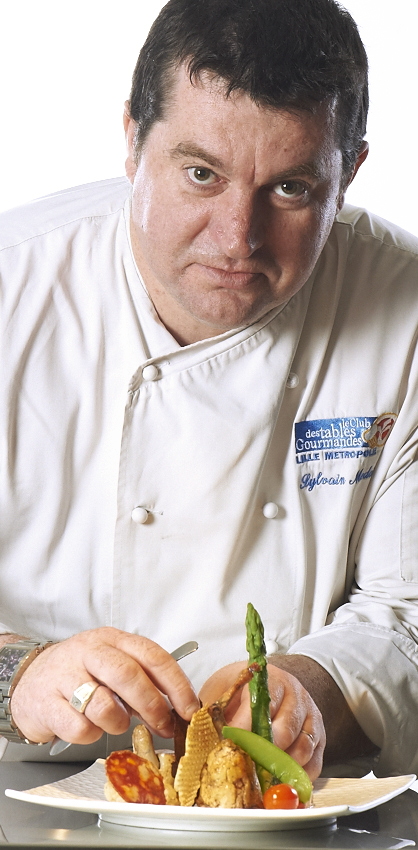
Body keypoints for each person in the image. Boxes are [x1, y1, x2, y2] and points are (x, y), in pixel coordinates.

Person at [0, 0, 417, 780]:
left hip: (292, 800)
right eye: (201, 175)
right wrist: (18, 676)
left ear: (350, 174)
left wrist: (306, 694)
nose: (237, 238)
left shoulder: (408, 312)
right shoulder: (12, 287)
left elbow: (409, 616)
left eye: (289, 189)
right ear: (132, 141)